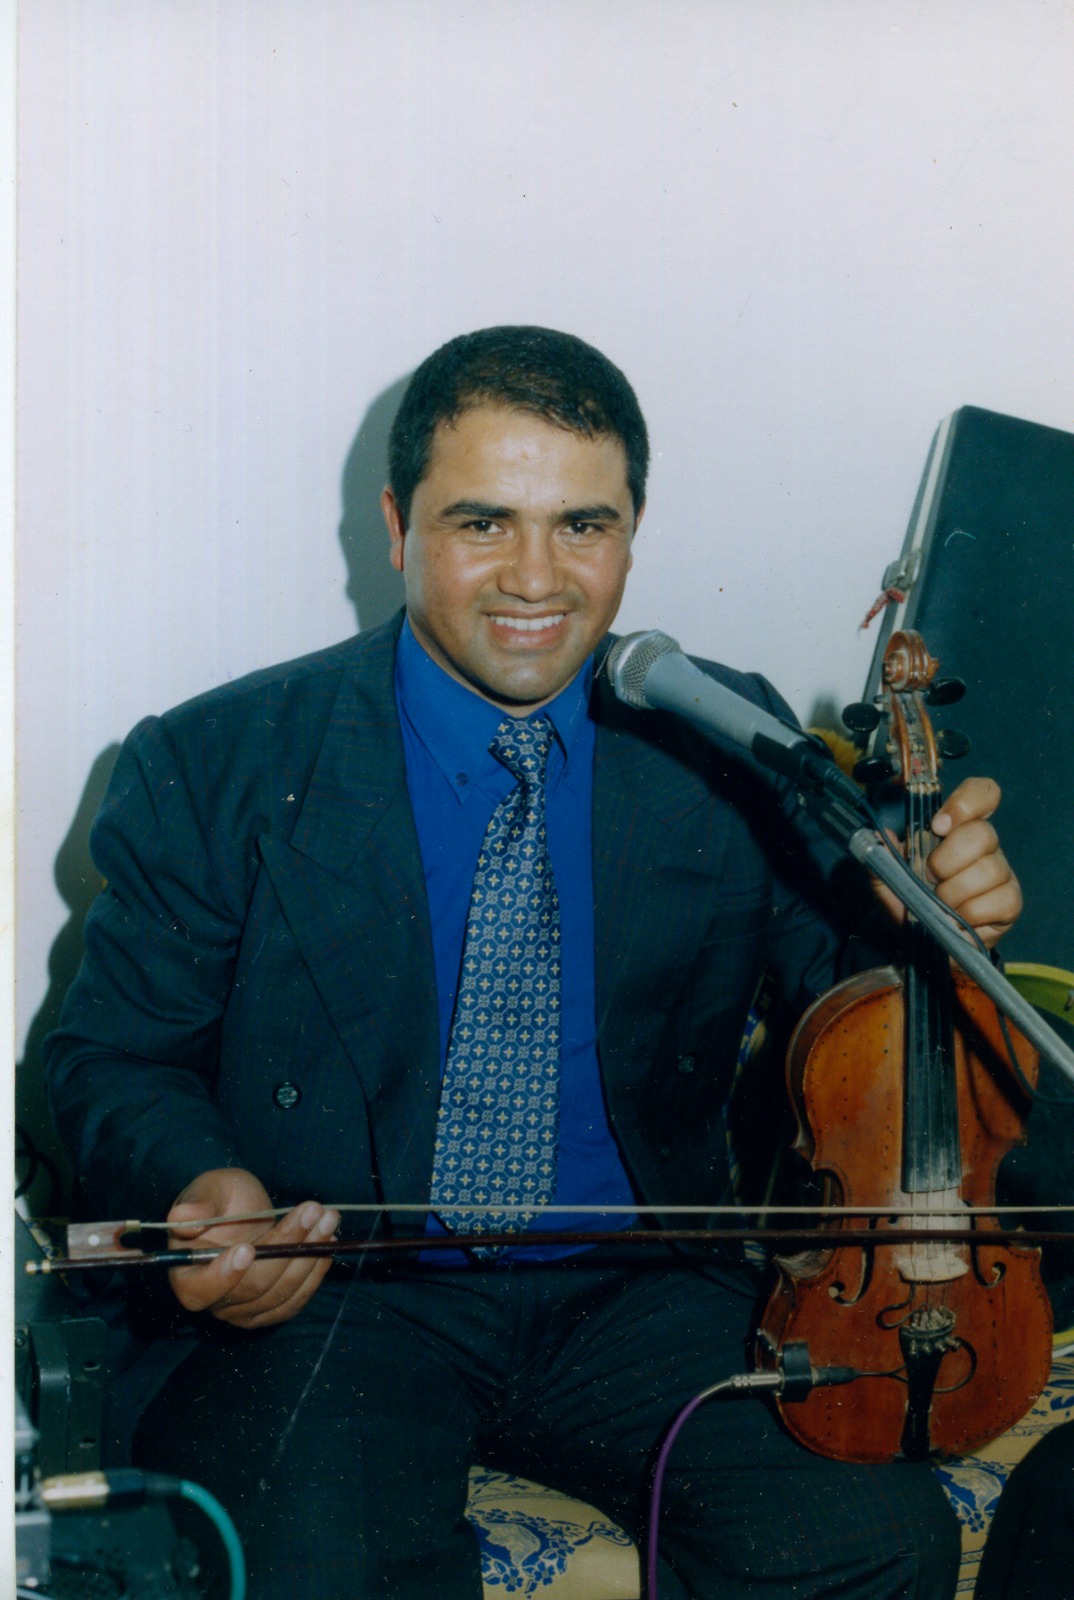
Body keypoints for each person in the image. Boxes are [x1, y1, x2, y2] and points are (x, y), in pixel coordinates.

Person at [45, 326, 1023, 1600]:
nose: (536, 577)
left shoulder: (718, 729)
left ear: (632, 532)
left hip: (632, 1293)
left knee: (873, 1539)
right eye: (482, 522)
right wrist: (201, 1183)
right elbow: (111, 1057)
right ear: (397, 527)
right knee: (319, 1561)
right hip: (339, 1296)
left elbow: (846, 999)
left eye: (583, 525)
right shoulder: (221, 758)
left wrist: (941, 930)